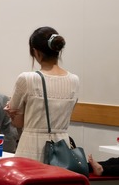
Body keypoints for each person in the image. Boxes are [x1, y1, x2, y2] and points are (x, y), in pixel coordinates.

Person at [5, 27, 79, 162]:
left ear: (36, 52)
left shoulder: (27, 79)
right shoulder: (74, 80)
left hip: (31, 148)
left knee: (31, 181)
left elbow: (18, 122)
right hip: (62, 148)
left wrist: (10, 113)